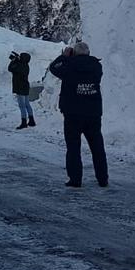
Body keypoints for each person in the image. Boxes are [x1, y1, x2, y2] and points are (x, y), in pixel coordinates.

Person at [49, 42, 108, 188]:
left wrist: (64, 56)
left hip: (73, 113)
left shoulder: (69, 66)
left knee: (73, 147)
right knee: (97, 147)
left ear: (74, 53)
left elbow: (53, 68)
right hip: (93, 112)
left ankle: (75, 179)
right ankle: (103, 178)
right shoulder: (96, 66)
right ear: (88, 53)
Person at [8, 52, 35, 129]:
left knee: (22, 105)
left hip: (20, 87)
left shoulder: (20, 66)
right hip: (25, 87)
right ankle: (31, 120)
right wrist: (16, 60)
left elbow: (10, 68)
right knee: (27, 104)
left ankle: (24, 122)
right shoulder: (26, 65)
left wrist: (13, 60)